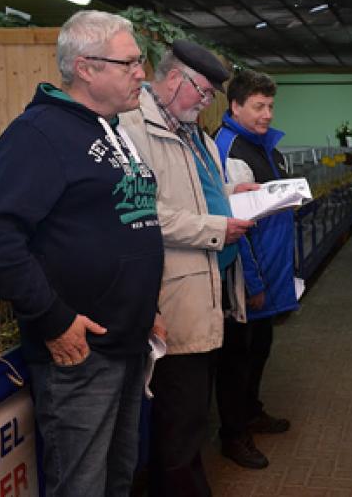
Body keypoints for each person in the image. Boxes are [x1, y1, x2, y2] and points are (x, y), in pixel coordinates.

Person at [0, 10, 163, 497]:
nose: (142, 72)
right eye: (129, 63)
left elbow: (125, 224)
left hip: (126, 341)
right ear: (86, 68)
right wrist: (53, 318)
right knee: (81, 485)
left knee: (118, 477)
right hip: (81, 352)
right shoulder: (38, 134)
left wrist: (147, 309)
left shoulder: (111, 129)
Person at [118, 41, 257, 497]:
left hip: (210, 284)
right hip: (175, 294)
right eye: (203, 91)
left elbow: (201, 193)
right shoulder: (133, 130)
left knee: (194, 413)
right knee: (179, 416)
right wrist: (215, 228)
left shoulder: (193, 132)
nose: (207, 101)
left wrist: (239, 193)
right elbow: (141, 213)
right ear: (175, 78)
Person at [213, 69, 297, 469]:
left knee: (260, 347)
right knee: (236, 355)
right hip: (249, 271)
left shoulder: (265, 146)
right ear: (235, 106)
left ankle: (251, 410)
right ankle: (232, 433)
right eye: (258, 106)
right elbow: (234, 224)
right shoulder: (229, 149)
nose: (267, 114)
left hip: (274, 265)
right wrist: (250, 280)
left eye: (270, 106)